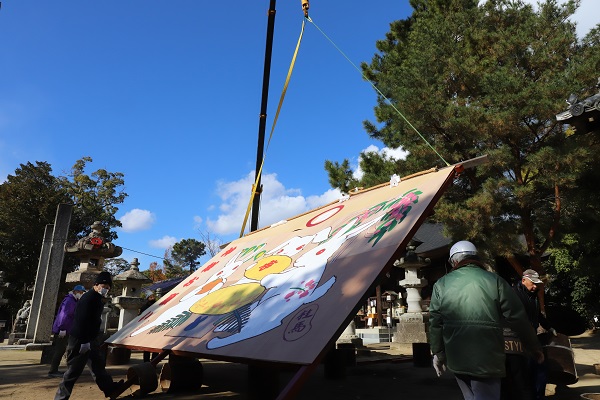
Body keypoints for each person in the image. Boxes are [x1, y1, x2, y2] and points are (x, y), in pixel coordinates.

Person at [429, 241, 544, 400]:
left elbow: (435, 322)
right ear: (476, 257)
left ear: (454, 261)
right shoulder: (495, 281)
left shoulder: (440, 284)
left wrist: (438, 353)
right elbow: (518, 317)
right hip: (487, 356)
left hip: (456, 356)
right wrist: (534, 346)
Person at [54, 271, 124, 400]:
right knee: (73, 371)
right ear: (96, 285)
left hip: (90, 339)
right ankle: (60, 398)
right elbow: (82, 320)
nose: (105, 289)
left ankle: (110, 388)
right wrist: (84, 341)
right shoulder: (88, 298)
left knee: (98, 366)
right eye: (103, 286)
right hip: (80, 339)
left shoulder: (97, 298)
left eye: (108, 288)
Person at [514, 269, 558, 400]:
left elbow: (537, 315)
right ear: (523, 280)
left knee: (540, 370)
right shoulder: (514, 295)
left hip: (532, 336)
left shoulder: (533, 296)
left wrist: (549, 327)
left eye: (536, 283)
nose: (535, 286)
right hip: (518, 340)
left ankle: (538, 395)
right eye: (532, 283)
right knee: (525, 373)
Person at [48, 285, 86, 378]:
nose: (81, 294)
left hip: (67, 328)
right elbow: (64, 315)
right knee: (59, 350)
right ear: (75, 292)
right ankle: (53, 371)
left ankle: (56, 370)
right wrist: (62, 328)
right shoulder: (69, 301)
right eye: (80, 293)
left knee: (63, 350)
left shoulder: (73, 300)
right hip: (63, 329)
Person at [139, 291, 158, 362]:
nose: (153, 298)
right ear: (148, 298)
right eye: (151, 297)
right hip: (146, 327)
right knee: (146, 347)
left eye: (153, 296)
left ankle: (154, 361)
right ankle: (146, 362)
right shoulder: (144, 307)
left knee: (155, 346)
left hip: (156, 327)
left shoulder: (157, 306)